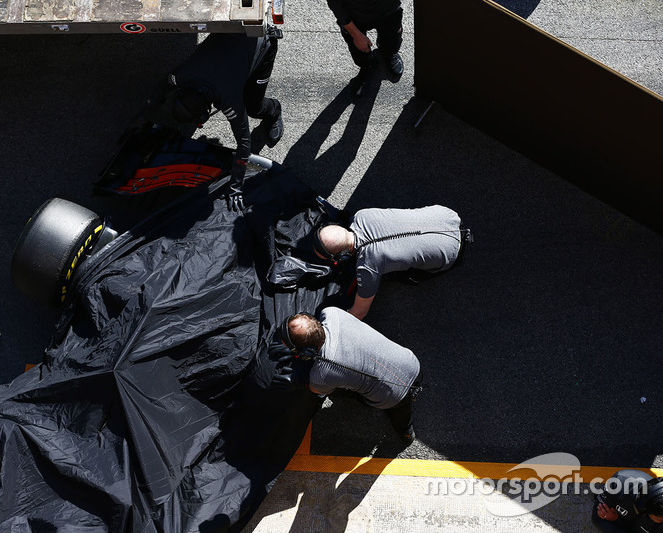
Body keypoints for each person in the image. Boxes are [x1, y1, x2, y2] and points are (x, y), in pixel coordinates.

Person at [143, 30, 284, 212]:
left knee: (252, 107)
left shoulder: (228, 99)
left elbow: (244, 143)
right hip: (232, 37)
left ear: (204, 116)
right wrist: (145, 120)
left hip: (261, 40)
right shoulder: (180, 75)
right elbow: (157, 93)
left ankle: (274, 111)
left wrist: (236, 186)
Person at [270, 308, 422, 443]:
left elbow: (316, 391)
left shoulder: (321, 375)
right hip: (412, 362)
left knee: (398, 412)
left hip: (392, 398)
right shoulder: (332, 312)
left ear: (306, 353)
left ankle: (406, 432)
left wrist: (298, 382)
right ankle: (405, 430)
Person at [313, 205, 471, 320]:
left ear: (342, 257)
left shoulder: (367, 268)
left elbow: (359, 312)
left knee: (406, 276)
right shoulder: (362, 215)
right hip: (448, 216)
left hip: (451, 252)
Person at [326, 0, 405, 96]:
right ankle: (366, 65)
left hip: (387, 11)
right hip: (355, 15)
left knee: (391, 45)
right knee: (359, 52)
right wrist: (356, 35)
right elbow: (335, 4)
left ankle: (388, 52)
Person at [592, 470, 663, 532]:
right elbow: (597, 518)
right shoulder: (619, 483)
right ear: (643, 508)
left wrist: (617, 522)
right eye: (660, 520)